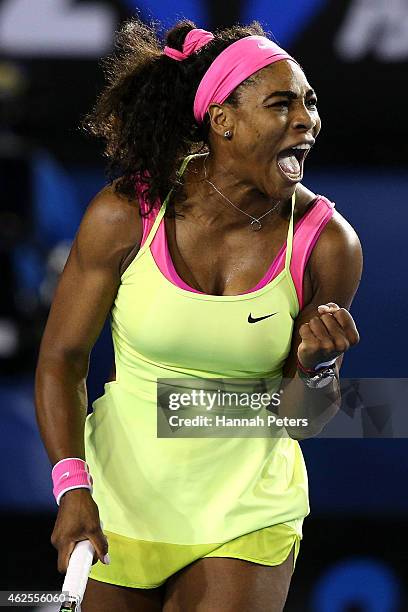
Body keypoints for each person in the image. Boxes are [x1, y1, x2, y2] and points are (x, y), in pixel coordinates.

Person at [35, 18, 362, 612]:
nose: (306, 121)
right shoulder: (125, 214)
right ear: (222, 121)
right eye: (282, 104)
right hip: (119, 499)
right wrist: (71, 486)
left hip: (248, 509)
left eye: (310, 104)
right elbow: (61, 360)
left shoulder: (328, 244)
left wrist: (318, 368)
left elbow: (301, 420)